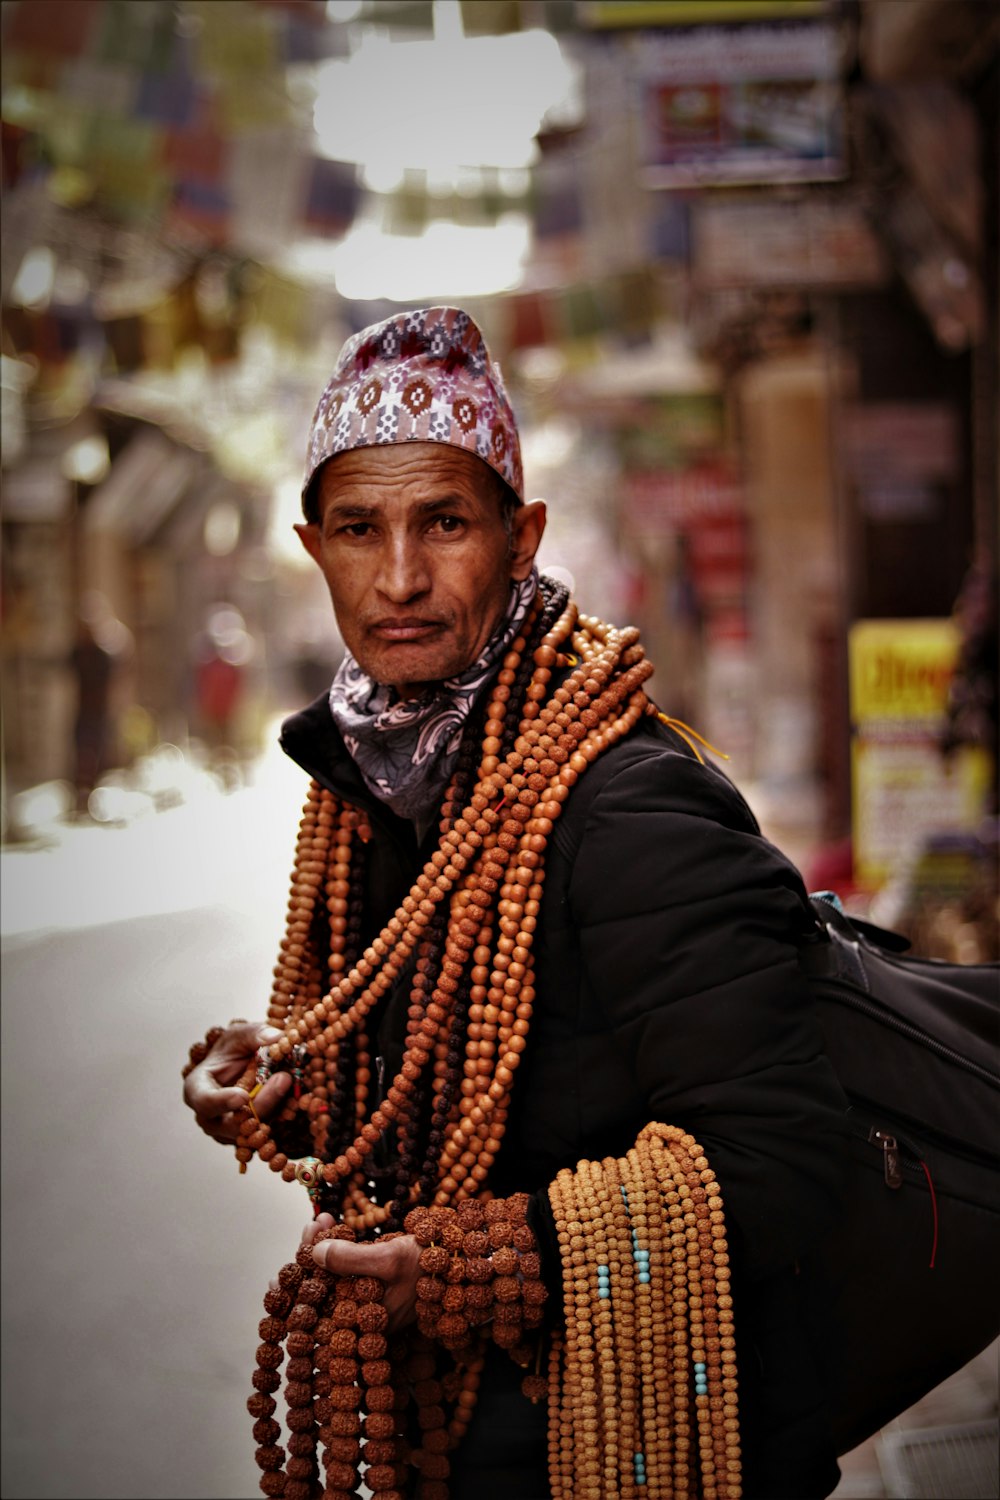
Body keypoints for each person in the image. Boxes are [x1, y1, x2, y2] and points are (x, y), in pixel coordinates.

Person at [184, 307, 849, 1499]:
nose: (400, 579)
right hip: (459, 1446)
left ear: (520, 535)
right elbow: (454, 1079)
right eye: (358, 529)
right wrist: (296, 1075)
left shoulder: (626, 806)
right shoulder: (373, 787)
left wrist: (471, 1262)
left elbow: (787, 1162)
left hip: (639, 1452)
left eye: (444, 523)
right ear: (312, 545)